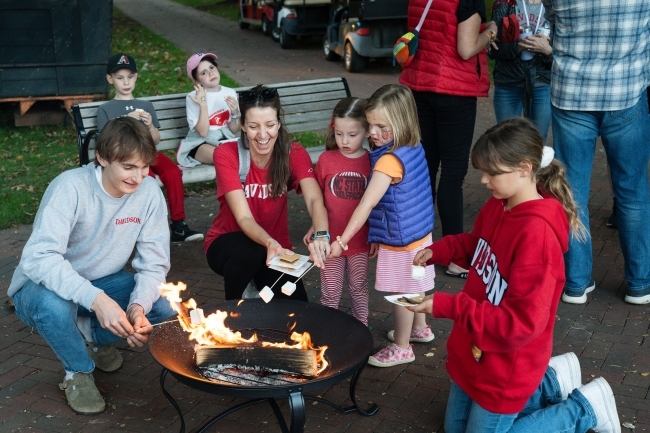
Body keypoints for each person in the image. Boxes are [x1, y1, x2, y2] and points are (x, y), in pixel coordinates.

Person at [410, 118, 620, 433]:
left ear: (524, 169)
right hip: (478, 350)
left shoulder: (537, 236)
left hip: (509, 362)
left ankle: (583, 409)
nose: (483, 180)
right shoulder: (500, 203)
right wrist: (440, 251)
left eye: (491, 173)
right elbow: (478, 246)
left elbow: (521, 324)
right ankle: (551, 382)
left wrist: (446, 306)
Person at [8, 117, 176, 415]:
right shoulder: (69, 187)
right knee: (54, 306)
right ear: (102, 157)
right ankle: (78, 371)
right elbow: (39, 258)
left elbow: (154, 264)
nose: (139, 178)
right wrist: (96, 300)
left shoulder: (149, 192)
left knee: (161, 306)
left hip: (102, 282)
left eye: (144, 167)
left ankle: (93, 335)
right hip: (40, 289)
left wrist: (138, 305)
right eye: (128, 167)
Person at [545, 0, 650, 305]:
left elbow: (551, 17)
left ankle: (576, 283)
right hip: (626, 90)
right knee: (632, 192)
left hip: (572, 91)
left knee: (571, 192)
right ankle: (639, 283)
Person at [326, 84, 435, 367]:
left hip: (401, 239)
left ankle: (402, 347)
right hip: (420, 232)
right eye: (371, 125)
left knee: (403, 292)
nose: (373, 133)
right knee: (416, 282)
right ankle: (419, 328)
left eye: (380, 127)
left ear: (400, 122)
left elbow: (366, 204)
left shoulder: (388, 161)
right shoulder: (411, 145)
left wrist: (342, 240)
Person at [399, 0, 497, 279]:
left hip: (420, 87)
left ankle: (417, 246)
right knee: (452, 175)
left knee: (424, 171)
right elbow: (465, 48)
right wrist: (490, 33)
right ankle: (455, 257)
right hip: (454, 91)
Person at [205, 84, 330, 301]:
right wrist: (269, 243)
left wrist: (321, 234)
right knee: (250, 253)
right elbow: (244, 218)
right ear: (242, 125)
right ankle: (234, 315)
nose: (263, 135)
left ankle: (257, 286)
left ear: (279, 123)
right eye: (253, 126)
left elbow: (314, 199)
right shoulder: (226, 154)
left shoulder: (295, 153)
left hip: (275, 249)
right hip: (227, 246)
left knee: (298, 308)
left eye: (270, 125)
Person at [97, 53, 204, 242]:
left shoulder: (145, 105)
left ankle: (179, 225)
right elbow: (105, 141)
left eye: (130, 77)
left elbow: (155, 140)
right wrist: (126, 121)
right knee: (148, 181)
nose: (126, 82)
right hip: (125, 157)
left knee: (172, 173)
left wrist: (150, 126)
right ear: (110, 79)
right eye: (120, 78)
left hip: (149, 151)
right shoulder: (106, 109)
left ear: (136, 77)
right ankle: (149, 227)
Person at [303, 97, 374, 326]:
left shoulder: (373, 162)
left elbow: (375, 204)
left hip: (360, 241)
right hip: (329, 240)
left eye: (352, 135)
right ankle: (328, 330)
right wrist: (315, 225)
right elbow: (319, 199)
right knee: (330, 290)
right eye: (339, 133)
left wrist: (376, 236)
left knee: (359, 286)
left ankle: (361, 327)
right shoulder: (326, 159)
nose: (345, 141)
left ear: (366, 131)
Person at [489, 0, 553, 141]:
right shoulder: (505, 4)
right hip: (508, 81)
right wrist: (517, 47)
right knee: (507, 139)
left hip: (541, 83)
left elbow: (562, 53)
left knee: (537, 139)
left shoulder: (554, 6)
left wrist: (547, 51)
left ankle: (532, 165)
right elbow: (493, 50)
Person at [177, 52, 241, 167]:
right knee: (225, 156)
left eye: (211, 67)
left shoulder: (230, 92)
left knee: (246, 154)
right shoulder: (192, 98)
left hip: (225, 140)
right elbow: (203, 132)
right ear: (197, 81)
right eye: (203, 73)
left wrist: (235, 113)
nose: (211, 73)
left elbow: (234, 130)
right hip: (200, 144)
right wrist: (203, 105)